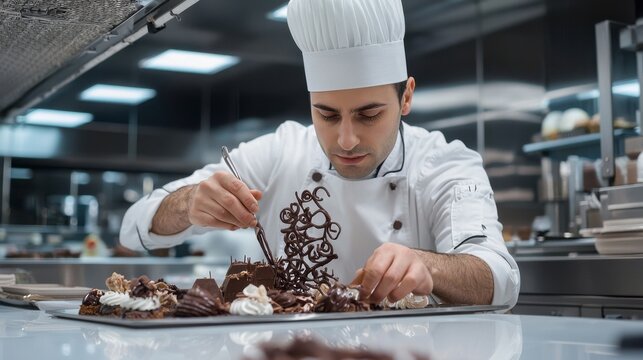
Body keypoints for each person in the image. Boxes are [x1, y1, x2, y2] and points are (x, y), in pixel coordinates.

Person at [121, 0, 520, 307]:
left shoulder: (443, 164)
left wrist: (428, 264)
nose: (345, 139)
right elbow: (134, 228)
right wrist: (189, 203)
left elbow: (500, 278)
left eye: (369, 115)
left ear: (406, 97)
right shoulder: (281, 153)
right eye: (327, 115)